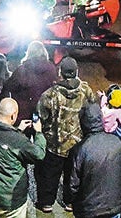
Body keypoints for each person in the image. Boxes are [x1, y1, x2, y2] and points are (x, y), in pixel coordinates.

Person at [36, 55, 94, 214]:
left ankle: (46, 203)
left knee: (50, 175)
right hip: (77, 143)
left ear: (60, 72)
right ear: (76, 72)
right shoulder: (85, 90)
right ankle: (70, 203)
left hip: (55, 143)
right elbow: (92, 111)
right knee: (73, 175)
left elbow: (41, 114)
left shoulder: (51, 94)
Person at [0, 96, 46, 218]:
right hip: (11, 201)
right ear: (13, 116)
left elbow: (3, 140)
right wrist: (39, 133)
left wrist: (18, 130)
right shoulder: (18, 140)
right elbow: (39, 154)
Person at [69, 102, 121, 218]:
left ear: (83, 123)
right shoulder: (116, 142)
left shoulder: (79, 149)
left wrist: (72, 201)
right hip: (114, 206)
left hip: (88, 209)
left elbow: (72, 185)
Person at [2, 39, 57, 124]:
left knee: (23, 136)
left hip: (24, 114)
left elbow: (10, 86)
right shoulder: (51, 69)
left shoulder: (22, 70)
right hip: (44, 112)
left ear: (29, 52)